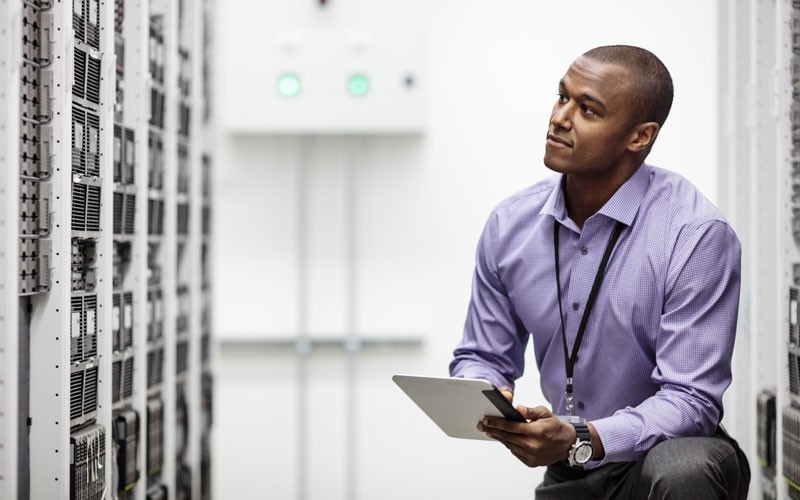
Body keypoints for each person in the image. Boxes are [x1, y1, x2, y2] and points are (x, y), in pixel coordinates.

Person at [449, 45, 750, 499]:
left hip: (662, 461)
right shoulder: (510, 225)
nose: (560, 118)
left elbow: (692, 401)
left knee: (684, 467)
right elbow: (483, 355)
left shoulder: (694, 234)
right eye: (561, 96)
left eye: (588, 109)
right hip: (572, 468)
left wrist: (584, 436)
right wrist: (486, 394)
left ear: (639, 136)